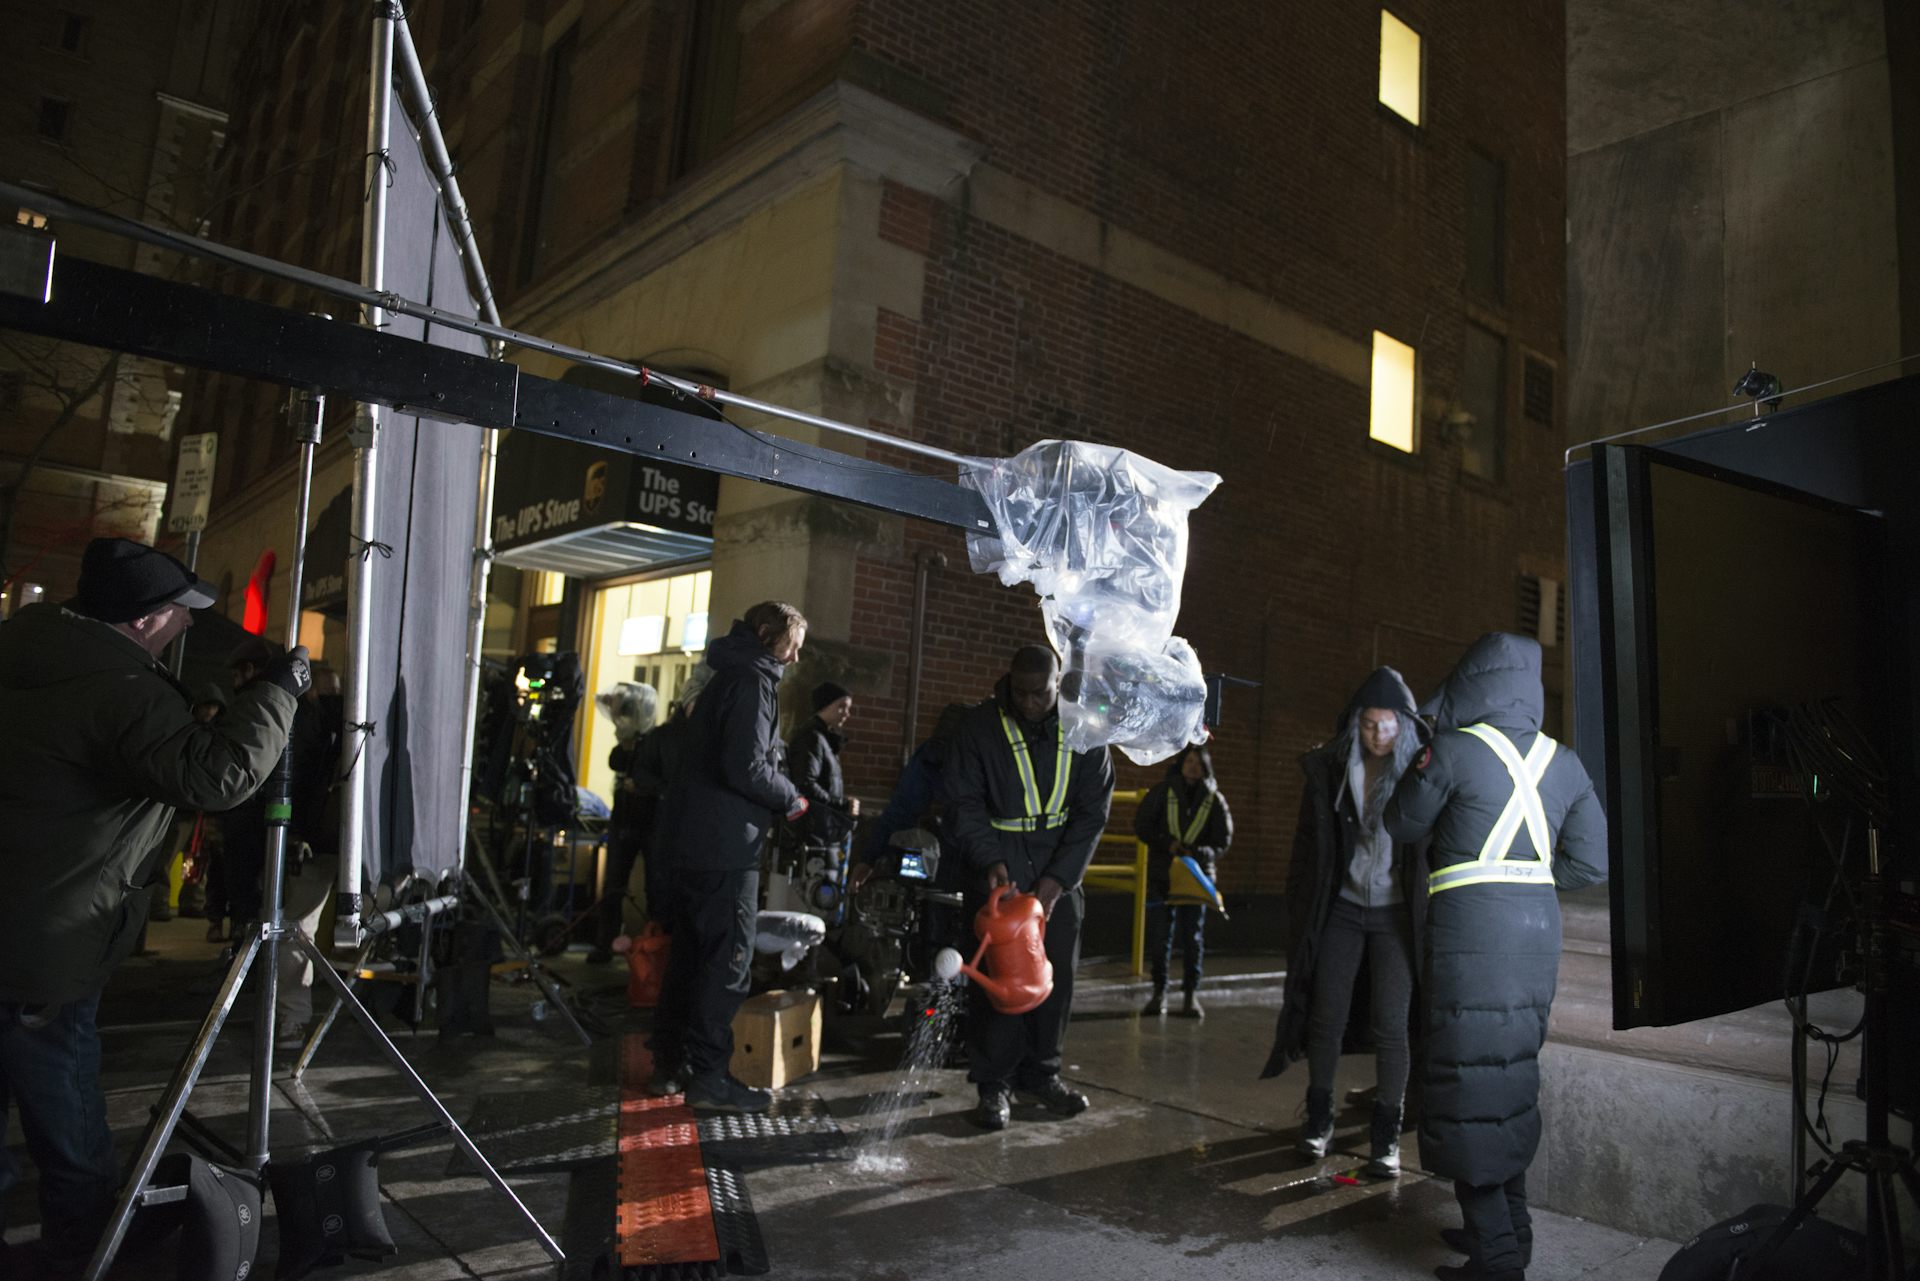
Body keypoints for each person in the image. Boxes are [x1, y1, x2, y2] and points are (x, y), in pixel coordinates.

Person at [0, 538, 307, 1276]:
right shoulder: (120, 690)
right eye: (179, 614)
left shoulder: (27, 647)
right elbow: (219, 774)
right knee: (65, 1112)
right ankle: (84, 1250)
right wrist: (279, 692)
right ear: (143, 621)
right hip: (46, 941)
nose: (185, 627)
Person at [1384, 634, 1606, 1281]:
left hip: (1471, 935)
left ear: (1472, 685)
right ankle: (1513, 1234)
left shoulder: (1451, 750)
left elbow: (1401, 823)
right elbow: (1591, 859)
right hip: (1538, 935)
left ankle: (1499, 1259)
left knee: (1465, 1083)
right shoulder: (1562, 761)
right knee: (1504, 1079)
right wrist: (1526, 876)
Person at [1262, 667, 1429, 1179]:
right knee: (1325, 1017)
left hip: (1397, 916)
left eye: (1387, 726)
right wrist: (1299, 904)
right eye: (1369, 725)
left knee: (1392, 1024)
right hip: (1343, 909)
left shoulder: (1421, 775)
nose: (1378, 736)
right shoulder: (1333, 771)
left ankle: (1386, 1133)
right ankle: (1318, 1117)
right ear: (1355, 724)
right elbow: (1306, 849)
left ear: (1405, 725)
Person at [648, 602, 810, 1113]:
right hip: (725, 847)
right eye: (793, 644)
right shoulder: (754, 679)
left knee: (691, 956)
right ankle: (710, 1077)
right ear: (767, 635)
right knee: (728, 963)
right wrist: (792, 798)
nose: (796, 656)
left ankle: (668, 1064)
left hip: (691, 842)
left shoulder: (723, 672)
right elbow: (747, 766)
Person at [948, 645, 1115, 1131]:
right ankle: (993, 1086)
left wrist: (1060, 879)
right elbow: (964, 802)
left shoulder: (1085, 729)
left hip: (1057, 872)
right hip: (1000, 868)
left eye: (1039, 693)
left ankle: (1041, 1076)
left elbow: (1092, 814)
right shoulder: (979, 728)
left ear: (1057, 683)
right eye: (1019, 692)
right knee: (1001, 984)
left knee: (1053, 977)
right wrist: (991, 861)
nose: (1028, 703)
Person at [1134, 744, 1232, 1019]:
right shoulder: (1161, 793)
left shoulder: (1214, 800)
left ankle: (1191, 996)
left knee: (1193, 938)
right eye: (1188, 761)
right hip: (1164, 876)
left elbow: (1223, 841)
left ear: (1205, 767)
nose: (1193, 766)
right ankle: (1159, 993)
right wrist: (1168, 844)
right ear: (1180, 764)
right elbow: (1142, 826)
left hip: (1196, 879)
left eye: (1198, 762)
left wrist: (1199, 853)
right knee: (1161, 937)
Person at [589, 682, 659, 963]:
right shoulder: (627, 741)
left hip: (648, 823)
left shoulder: (654, 742)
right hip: (622, 821)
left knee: (653, 887)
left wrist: (641, 786)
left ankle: (653, 946)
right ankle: (604, 943)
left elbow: (659, 778)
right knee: (613, 885)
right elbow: (615, 760)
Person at [786, 680, 860, 848]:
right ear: (825, 705)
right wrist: (842, 805)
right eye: (841, 706)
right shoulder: (812, 738)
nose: (846, 714)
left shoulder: (823, 739)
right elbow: (805, 784)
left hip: (821, 828)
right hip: (813, 831)